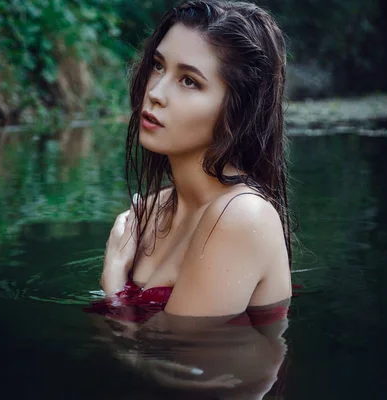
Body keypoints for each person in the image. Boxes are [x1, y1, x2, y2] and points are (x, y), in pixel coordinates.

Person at [99, 0, 292, 318]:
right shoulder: (154, 208)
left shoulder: (241, 217)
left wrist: (114, 282)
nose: (156, 92)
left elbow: (176, 362)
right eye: (158, 65)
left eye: (189, 81)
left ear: (236, 109)